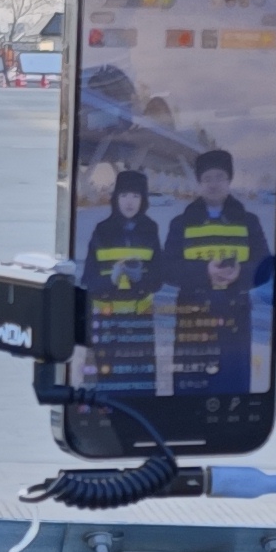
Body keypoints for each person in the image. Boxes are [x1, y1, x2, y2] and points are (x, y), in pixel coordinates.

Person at [161, 147, 264, 392]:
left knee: (233, 391)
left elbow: (265, 268)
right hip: (193, 322)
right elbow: (167, 269)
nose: (213, 184)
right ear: (199, 183)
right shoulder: (181, 224)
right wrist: (205, 272)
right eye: (207, 178)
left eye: (220, 177)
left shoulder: (249, 222)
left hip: (235, 321)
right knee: (190, 392)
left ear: (229, 180)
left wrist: (240, 272)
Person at [79, 158, 167, 391]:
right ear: (116, 198)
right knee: (106, 388)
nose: (129, 202)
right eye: (124, 195)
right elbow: (88, 280)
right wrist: (112, 277)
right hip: (107, 325)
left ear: (143, 200)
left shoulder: (150, 230)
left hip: (140, 326)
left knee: (142, 386)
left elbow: (159, 277)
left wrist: (140, 279)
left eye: (136, 196)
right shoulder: (102, 231)